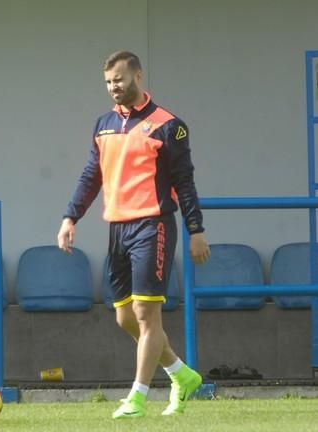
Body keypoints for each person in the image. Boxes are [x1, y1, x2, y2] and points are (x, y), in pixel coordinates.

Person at [56, 50, 210, 419]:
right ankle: (181, 374)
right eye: (108, 82)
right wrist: (69, 217)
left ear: (138, 77)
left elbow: (184, 183)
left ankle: (137, 397)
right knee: (124, 317)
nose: (114, 87)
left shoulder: (168, 125)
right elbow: (92, 176)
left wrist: (196, 230)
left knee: (146, 314)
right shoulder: (103, 124)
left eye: (119, 80)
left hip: (152, 225)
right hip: (118, 227)